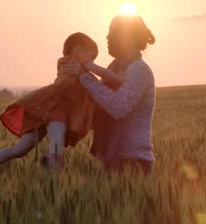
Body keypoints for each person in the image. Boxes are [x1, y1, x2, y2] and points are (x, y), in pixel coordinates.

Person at [0, 32, 125, 188]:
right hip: (58, 112)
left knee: (20, 149)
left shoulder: (64, 63)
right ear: (78, 48)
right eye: (91, 51)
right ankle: (52, 164)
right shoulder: (78, 63)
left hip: (44, 111)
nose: (92, 57)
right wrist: (118, 78)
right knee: (55, 147)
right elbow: (102, 73)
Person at [64, 15, 156, 176]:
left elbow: (118, 108)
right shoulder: (114, 67)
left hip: (132, 162)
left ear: (130, 37)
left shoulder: (139, 70)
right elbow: (101, 108)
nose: (107, 36)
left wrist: (84, 76)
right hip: (111, 159)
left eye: (113, 32)